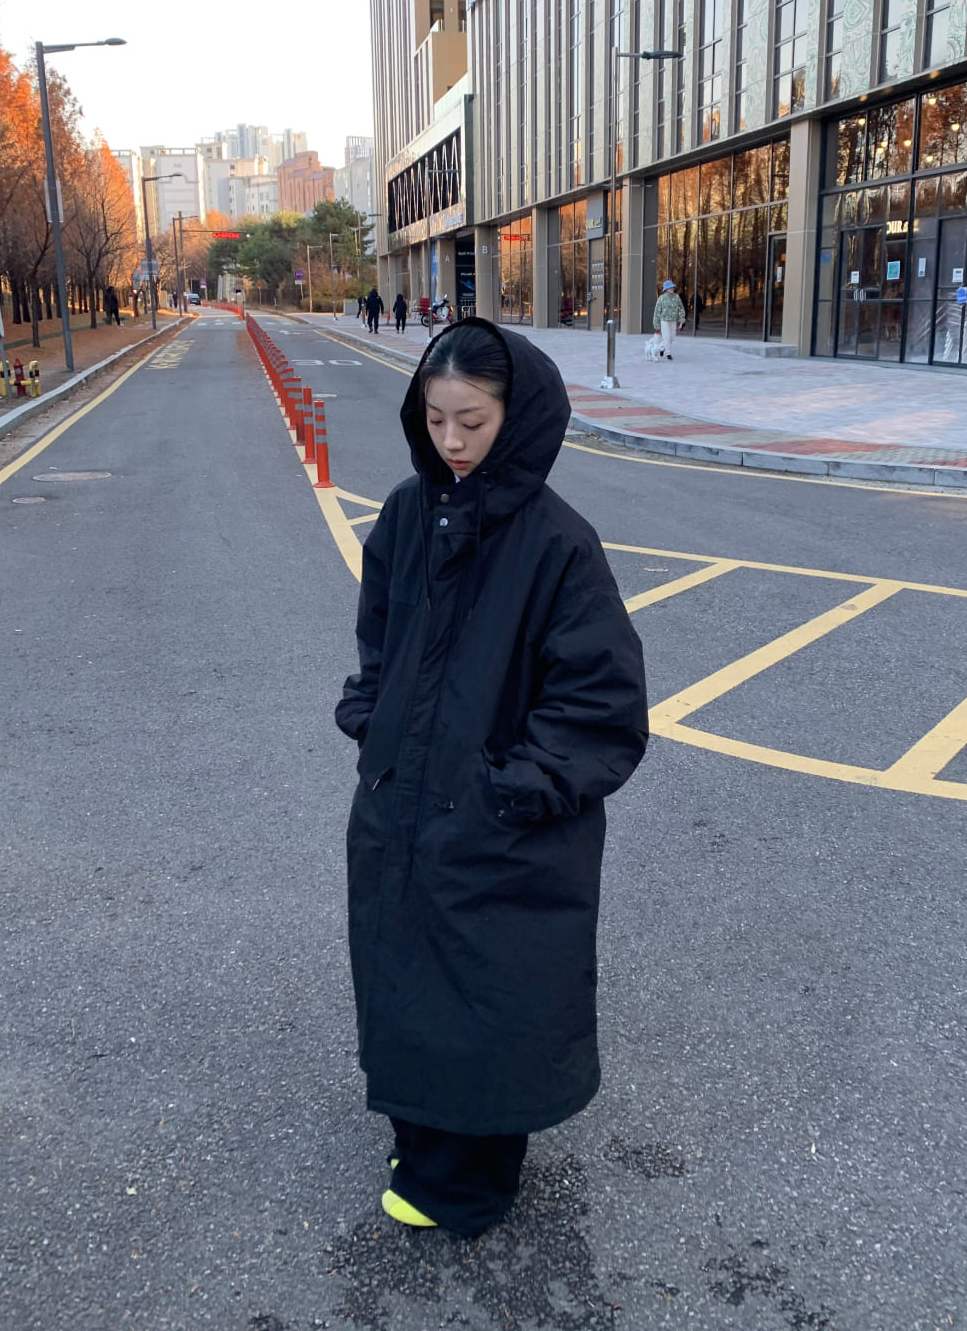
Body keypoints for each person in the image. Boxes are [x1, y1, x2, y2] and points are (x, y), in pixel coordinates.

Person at [335, 318, 648, 1237]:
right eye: (435, 420)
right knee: (402, 974)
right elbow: (379, 640)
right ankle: (420, 1141)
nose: (453, 442)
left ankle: (466, 1184)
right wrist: (372, 722)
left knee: (486, 994)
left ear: (517, 416)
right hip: (400, 802)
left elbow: (601, 704)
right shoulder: (406, 515)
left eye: (472, 421)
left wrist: (509, 789)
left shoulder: (559, 544)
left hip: (499, 822)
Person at [652, 279, 686, 359]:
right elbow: (657, 311)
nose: (671, 289)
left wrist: (682, 320)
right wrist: (656, 324)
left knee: (672, 337)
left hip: (673, 320)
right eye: (670, 288)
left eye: (672, 287)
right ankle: (668, 353)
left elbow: (681, 308)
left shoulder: (676, 297)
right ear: (666, 289)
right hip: (664, 320)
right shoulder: (662, 298)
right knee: (666, 337)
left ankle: (662, 347)